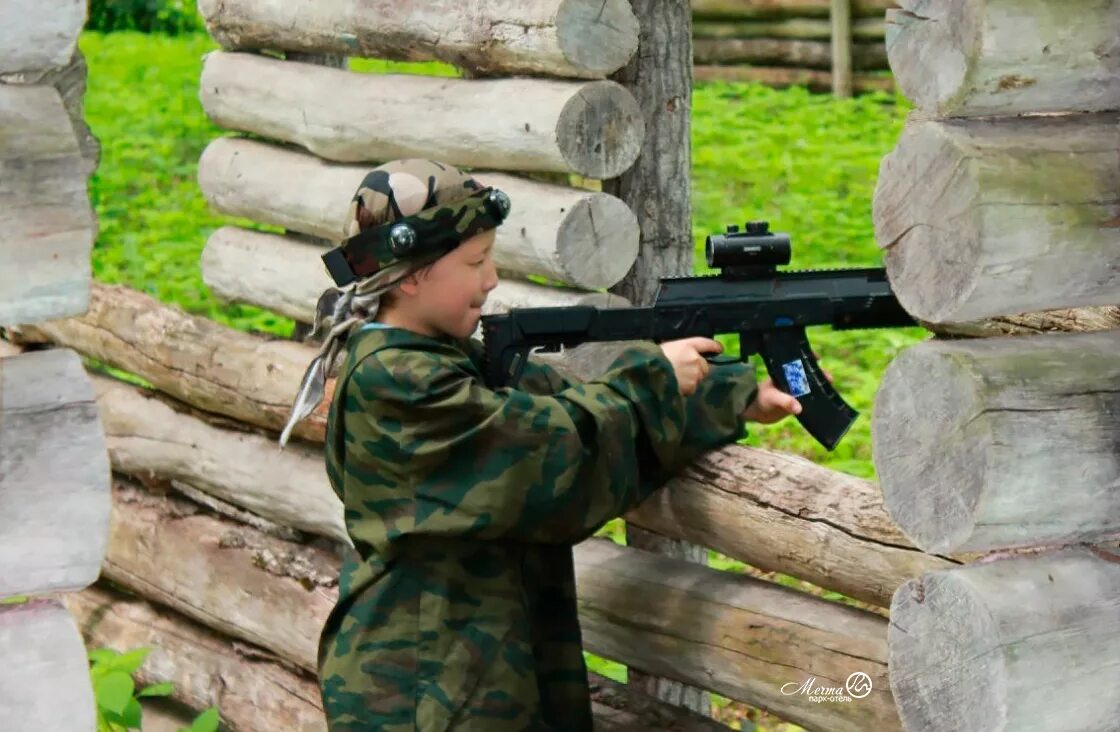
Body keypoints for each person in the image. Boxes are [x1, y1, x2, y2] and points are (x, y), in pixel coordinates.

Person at [281, 159, 803, 731]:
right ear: (409, 276)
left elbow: (570, 403)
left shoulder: (445, 358)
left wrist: (732, 392)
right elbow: (558, 454)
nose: (491, 278)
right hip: (424, 694)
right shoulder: (400, 384)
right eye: (475, 261)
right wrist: (654, 376)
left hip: (466, 676)